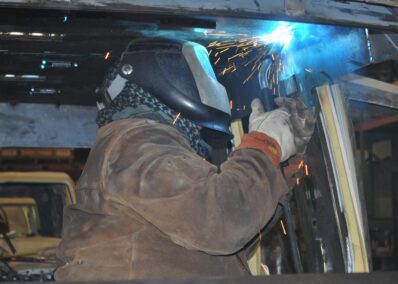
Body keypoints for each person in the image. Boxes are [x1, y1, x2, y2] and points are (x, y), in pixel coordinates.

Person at [55, 38, 315, 281]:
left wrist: (275, 170)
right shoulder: (136, 143)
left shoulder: (140, 146)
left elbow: (225, 243)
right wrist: (262, 147)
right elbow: (222, 220)